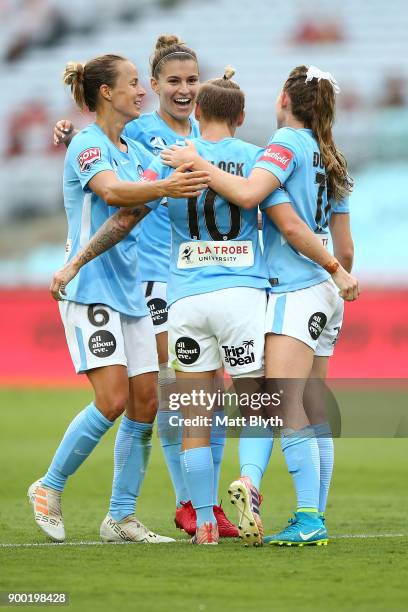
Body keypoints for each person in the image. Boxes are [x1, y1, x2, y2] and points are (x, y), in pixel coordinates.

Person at [50, 67, 357, 546]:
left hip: (185, 301)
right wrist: (335, 268)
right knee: (264, 406)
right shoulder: (257, 159)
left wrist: (75, 263)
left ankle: (206, 523)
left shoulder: (171, 160)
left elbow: (125, 216)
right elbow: (280, 214)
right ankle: (254, 486)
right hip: (242, 298)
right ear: (240, 115)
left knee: (194, 415)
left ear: (198, 113)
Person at [161, 64, 359, 546]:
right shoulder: (330, 154)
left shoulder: (282, 144)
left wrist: (197, 165)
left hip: (288, 288)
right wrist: (336, 275)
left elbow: (258, 200)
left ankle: (299, 513)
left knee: (278, 405)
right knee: (310, 407)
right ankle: (307, 508)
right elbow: (346, 246)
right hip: (324, 293)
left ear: (284, 102)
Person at [53, 35, 237, 538]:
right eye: (172, 82)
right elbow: (108, 171)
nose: (184, 90)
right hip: (151, 278)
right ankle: (189, 504)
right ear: (153, 88)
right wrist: (73, 135)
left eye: (191, 81)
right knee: (173, 391)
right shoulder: (143, 130)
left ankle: (198, 503)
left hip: (197, 274)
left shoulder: (200, 132)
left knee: (199, 394)